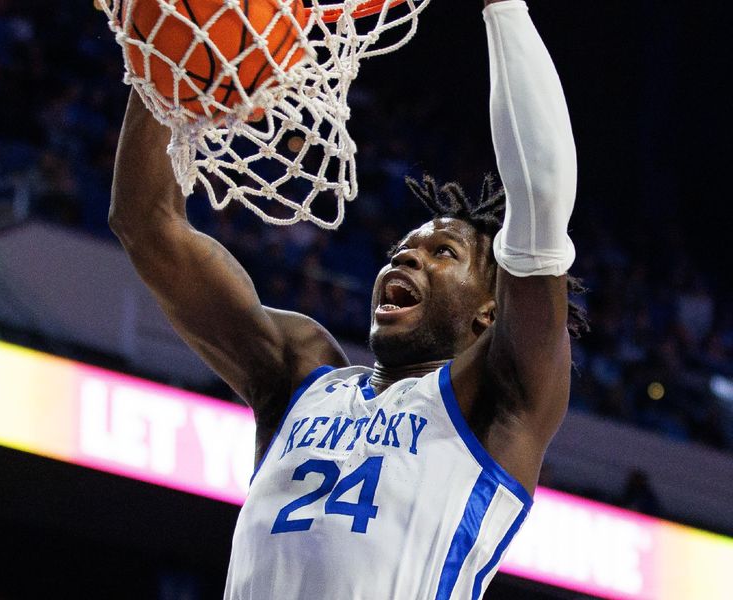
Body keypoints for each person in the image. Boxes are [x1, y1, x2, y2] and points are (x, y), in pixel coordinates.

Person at [108, 0, 586, 598]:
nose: (406, 258)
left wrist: (504, 8)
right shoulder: (301, 371)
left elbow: (540, 200)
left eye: (442, 254)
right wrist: (165, 51)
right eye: (404, 250)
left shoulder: (496, 400)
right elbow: (146, 226)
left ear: (489, 313)